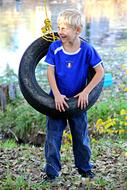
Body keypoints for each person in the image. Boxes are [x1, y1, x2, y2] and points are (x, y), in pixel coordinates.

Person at [43, 9, 104, 182]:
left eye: (65, 28)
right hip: (57, 101)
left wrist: (86, 92)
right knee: (53, 137)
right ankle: (52, 173)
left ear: (77, 30)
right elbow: (50, 71)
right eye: (59, 27)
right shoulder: (54, 47)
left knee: (80, 136)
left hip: (79, 102)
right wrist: (56, 94)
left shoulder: (87, 50)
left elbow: (99, 72)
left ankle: (85, 169)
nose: (60, 31)